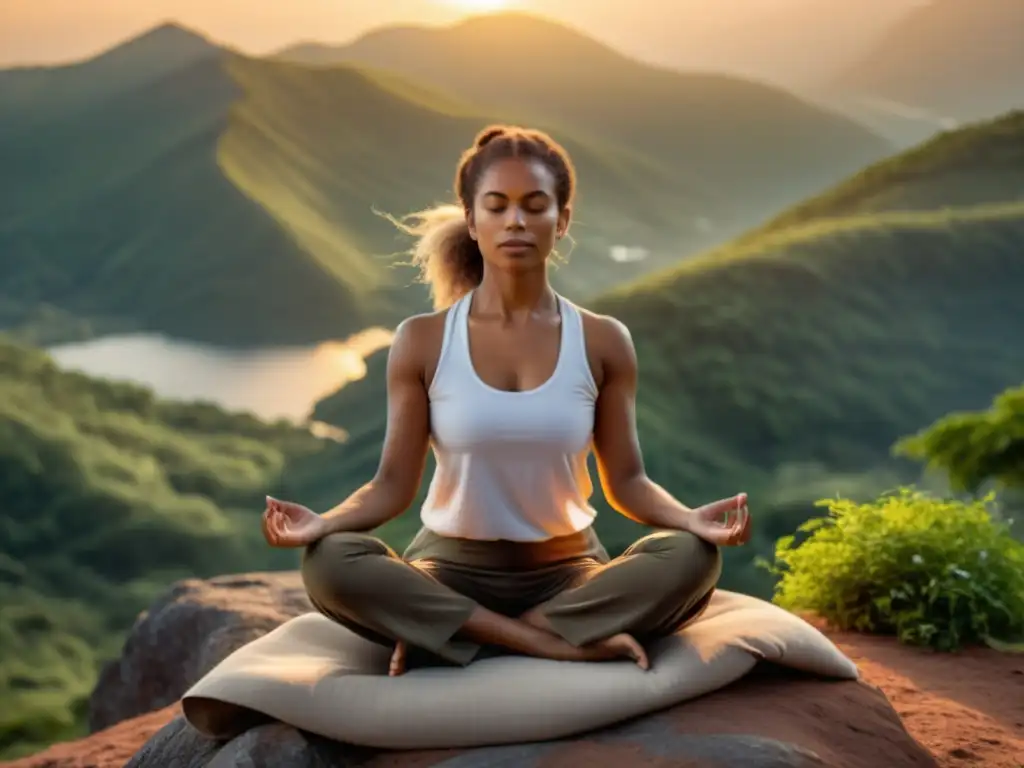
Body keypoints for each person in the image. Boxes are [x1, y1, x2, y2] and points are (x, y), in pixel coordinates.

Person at [262, 124, 752, 677]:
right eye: (496, 206)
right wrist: (321, 524)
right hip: (448, 571)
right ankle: (552, 642)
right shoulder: (423, 339)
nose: (515, 220)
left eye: (534, 205)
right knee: (330, 563)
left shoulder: (603, 340)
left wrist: (691, 520)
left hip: (569, 574)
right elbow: (391, 487)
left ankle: (465, 635)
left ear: (561, 221)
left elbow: (629, 483)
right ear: (471, 221)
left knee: (690, 558)